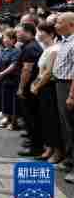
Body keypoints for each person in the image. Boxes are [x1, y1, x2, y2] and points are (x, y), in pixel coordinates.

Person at [32, 23, 64, 164]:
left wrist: (37, 85)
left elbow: (48, 72)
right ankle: (49, 148)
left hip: (49, 87)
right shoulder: (47, 48)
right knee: (45, 119)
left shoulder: (55, 49)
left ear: (50, 34)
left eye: (41, 32)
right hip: (42, 87)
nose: (38, 35)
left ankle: (57, 152)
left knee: (52, 120)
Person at [16, 23, 44, 157]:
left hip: (29, 89)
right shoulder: (29, 46)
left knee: (32, 118)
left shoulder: (31, 48)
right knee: (31, 118)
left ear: (28, 32)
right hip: (31, 88)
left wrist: (21, 88)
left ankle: (36, 148)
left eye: (19, 32)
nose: (17, 34)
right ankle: (34, 144)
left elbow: (27, 69)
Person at [53, 13, 74, 182]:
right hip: (60, 84)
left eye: (59, 22)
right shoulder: (64, 41)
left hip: (68, 86)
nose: (55, 25)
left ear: (71, 25)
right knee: (65, 126)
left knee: (71, 126)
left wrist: (71, 95)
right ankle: (68, 160)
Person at [0, 29, 20, 131]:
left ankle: (14, 122)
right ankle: (7, 118)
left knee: (12, 101)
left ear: (14, 40)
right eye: (4, 38)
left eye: (8, 38)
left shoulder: (16, 51)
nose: (5, 40)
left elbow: (13, 65)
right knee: (4, 99)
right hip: (2, 79)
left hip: (11, 79)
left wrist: (1, 74)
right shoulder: (1, 50)